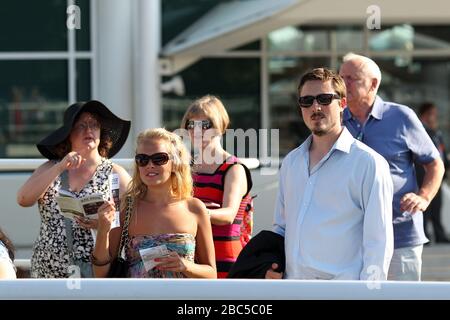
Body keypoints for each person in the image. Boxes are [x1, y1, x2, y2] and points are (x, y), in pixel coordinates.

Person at [266, 68, 394, 280]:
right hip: (292, 289)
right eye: (307, 101)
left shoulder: (369, 164)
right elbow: (281, 228)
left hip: (343, 292)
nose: (315, 107)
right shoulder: (291, 163)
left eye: (324, 99)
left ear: (342, 103)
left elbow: (379, 242)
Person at [339, 53, 445, 281]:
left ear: (373, 84)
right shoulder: (335, 121)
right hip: (350, 238)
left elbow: (435, 163)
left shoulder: (401, 117)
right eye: (341, 78)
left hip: (401, 234)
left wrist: (424, 197)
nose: (343, 84)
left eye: (351, 78)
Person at [17, 100, 131, 278]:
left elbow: (125, 225)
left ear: (101, 133)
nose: (89, 130)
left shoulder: (116, 174)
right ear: (68, 134)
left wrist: (101, 226)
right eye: (81, 126)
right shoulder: (51, 167)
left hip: (92, 273)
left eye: (94, 125)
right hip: (47, 272)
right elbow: (23, 199)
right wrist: (60, 167)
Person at [92, 128, 216, 278]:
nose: (150, 165)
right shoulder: (127, 207)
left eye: (159, 158)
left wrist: (186, 266)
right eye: (142, 159)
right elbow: (101, 274)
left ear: (175, 163)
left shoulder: (194, 208)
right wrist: (103, 231)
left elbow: (211, 274)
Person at [180, 95, 253, 278]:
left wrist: (195, 211)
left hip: (227, 260)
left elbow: (228, 215)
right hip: (192, 261)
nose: (198, 131)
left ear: (221, 127)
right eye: (191, 125)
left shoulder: (234, 169)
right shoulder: (186, 169)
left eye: (205, 125)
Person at [416, 102, 450, 243]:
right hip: (424, 174)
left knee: (437, 206)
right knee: (425, 207)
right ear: (424, 115)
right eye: (431, 114)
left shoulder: (436, 132)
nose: (434, 117)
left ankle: (439, 234)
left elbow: (442, 152)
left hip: (438, 175)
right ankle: (424, 235)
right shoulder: (420, 131)